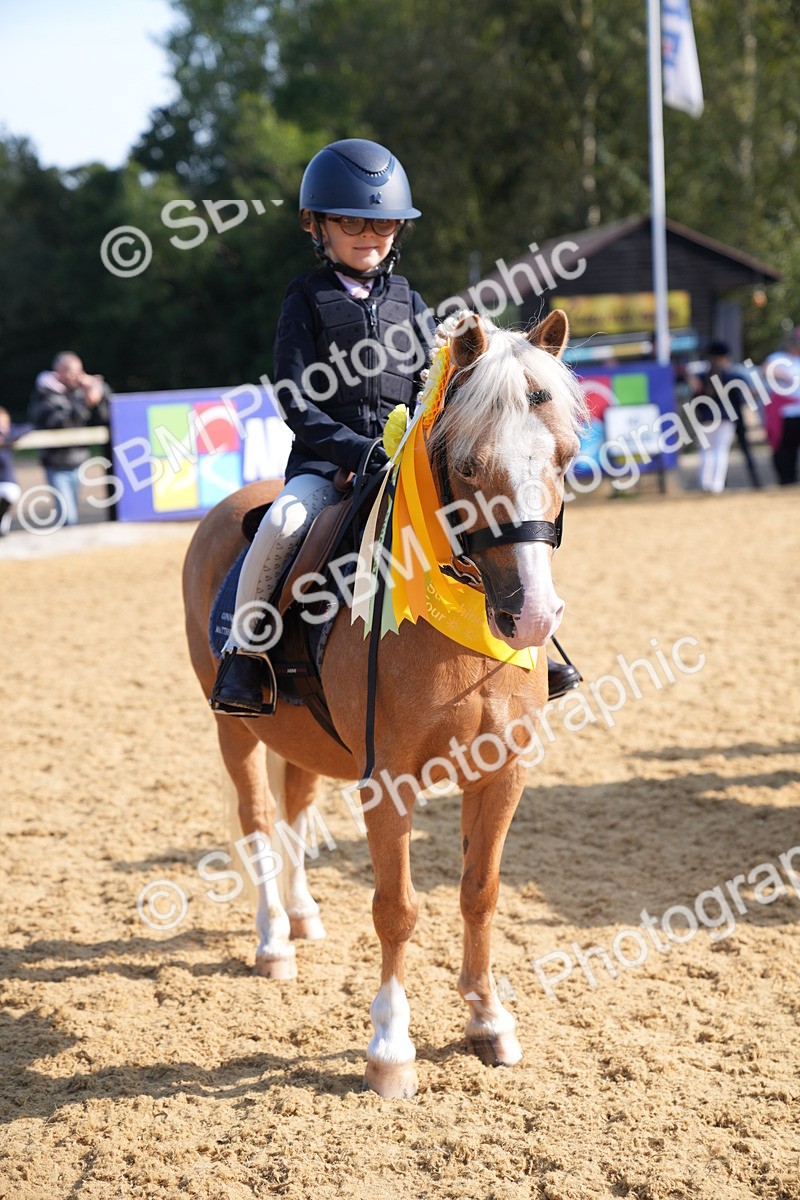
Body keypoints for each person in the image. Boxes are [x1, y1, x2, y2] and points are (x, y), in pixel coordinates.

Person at [210, 138, 581, 715]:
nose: (368, 234)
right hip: (328, 467)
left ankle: (530, 642)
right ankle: (244, 653)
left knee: (481, 519)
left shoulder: (410, 300)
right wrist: (359, 453)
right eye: (351, 221)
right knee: (282, 522)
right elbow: (296, 402)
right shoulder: (303, 300)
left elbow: (430, 388)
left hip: (405, 461)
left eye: (382, 224)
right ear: (317, 227)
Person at [28, 352, 111, 526]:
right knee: (68, 517)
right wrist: (85, 404)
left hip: (79, 460)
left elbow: (106, 416)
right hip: (56, 463)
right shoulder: (45, 393)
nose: (78, 376)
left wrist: (99, 392)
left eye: (80, 371)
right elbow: (57, 423)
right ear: (59, 372)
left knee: (71, 513)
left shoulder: (80, 390)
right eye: (73, 371)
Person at [763, 326, 800, 485]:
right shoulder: (778, 357)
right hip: (785, 414)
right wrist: (787, 377)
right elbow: (766, 370)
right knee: (784, 448)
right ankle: (786, 479)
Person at [0, 408, 33, 536]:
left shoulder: (10, 433)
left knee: (10, 493)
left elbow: (28, 427)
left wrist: (7, 437)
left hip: (6, 481)